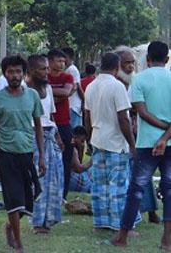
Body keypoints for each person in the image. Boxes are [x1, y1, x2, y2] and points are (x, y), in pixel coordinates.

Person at [113, 41, 171, 248]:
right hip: (169, 143)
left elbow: (141, 111)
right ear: (166, 59)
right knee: (169, 189)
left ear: (147, 59)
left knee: (136, 189)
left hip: (147, 143)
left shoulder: (139, 79)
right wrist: (166, 135)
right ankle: (167, 239)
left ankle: (122, 237)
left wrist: (160, 132)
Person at [0, 55, 44, 253]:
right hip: (6, 153)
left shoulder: (32, 96)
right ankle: (18, 243)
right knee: (13, 199)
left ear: (24, 73)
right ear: (5, 74)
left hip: (27, 152)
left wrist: (42, 157)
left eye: (18, 71)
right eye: (10, 72)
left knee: (29, 198)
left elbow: (38, 127)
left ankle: (11, 225)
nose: (15, 75)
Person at [83, 52, 136, 233]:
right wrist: (132, 144)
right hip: (115, 142)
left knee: (99, 185)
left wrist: (90, 139)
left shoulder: (91, 86)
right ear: (118, 66)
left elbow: (87, 116)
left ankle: (101, 222)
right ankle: (120, 225)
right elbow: (123, 118)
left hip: (97, 140)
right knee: (119, 185)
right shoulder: (117, 86)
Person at [115, 45, 161, 224]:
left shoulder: (136, 81)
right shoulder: (115, 83)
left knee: (143, 173)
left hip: (137, 133)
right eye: (126, 63)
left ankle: (150, 211)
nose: (130, 66)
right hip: (119, 134)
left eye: (132, 62)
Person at [26, 55, 64, 234]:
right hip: (32, 138)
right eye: (43, 69)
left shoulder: (47, 89)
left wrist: (58, 138)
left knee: (53, 181)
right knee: (37, 181)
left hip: (50, 136)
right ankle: (36, 221)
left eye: (47, 68)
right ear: (32, 71)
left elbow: (50, 116)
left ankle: (48, 220)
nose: (47, 72)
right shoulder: (24, 90)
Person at [47, 48, 74, 199]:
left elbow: (66, 92)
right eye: (59, 61)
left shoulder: (67, 77)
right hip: (47, 123)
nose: (62, 64)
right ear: (50, 61)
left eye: (64, 61)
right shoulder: (44, 77)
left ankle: (63, 194)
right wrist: (58, 96)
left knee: (66, 159)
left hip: (64, 123)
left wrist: (48, 94)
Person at [62, 47, 84, 129]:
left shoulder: (72, 70)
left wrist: (84, 101)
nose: (63, 61)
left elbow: (77, 87)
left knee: (74, 131)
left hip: (73, 105)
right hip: (72, 105)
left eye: (64, 58)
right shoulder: (68, 69)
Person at [68, 126, 92, 193]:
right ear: (75, 137)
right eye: (82, 141)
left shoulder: (74, 147)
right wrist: (91, 162)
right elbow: (79, 169)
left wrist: (81, 149)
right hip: (71, 179)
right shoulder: (73, 150)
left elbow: (80, 162)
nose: (82, 144)